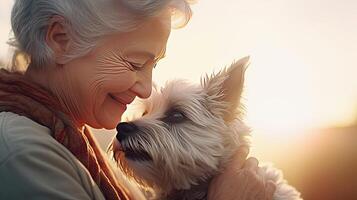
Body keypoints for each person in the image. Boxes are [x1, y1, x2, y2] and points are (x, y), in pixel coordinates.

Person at [0, 0, 276, 199]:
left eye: (152, 66)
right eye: (134, 63)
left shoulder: (80, 143)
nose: (145, 90)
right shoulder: (23, 156)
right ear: (60, 40)